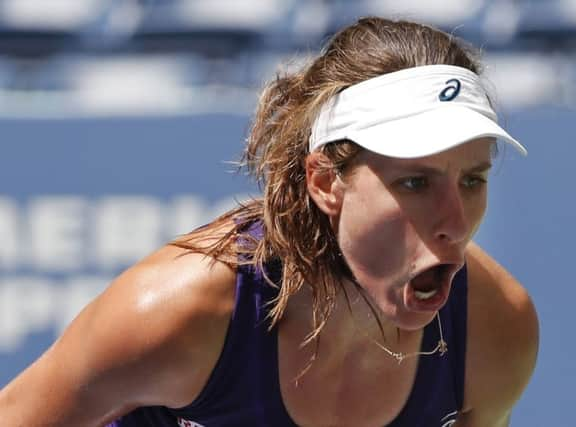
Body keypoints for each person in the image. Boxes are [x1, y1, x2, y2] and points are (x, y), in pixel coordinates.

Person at [0, 16, 538, 427]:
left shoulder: (496, 329)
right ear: (326, 183)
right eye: (414, 183)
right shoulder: (174, 313)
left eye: (472, 180)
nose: (454, 224)